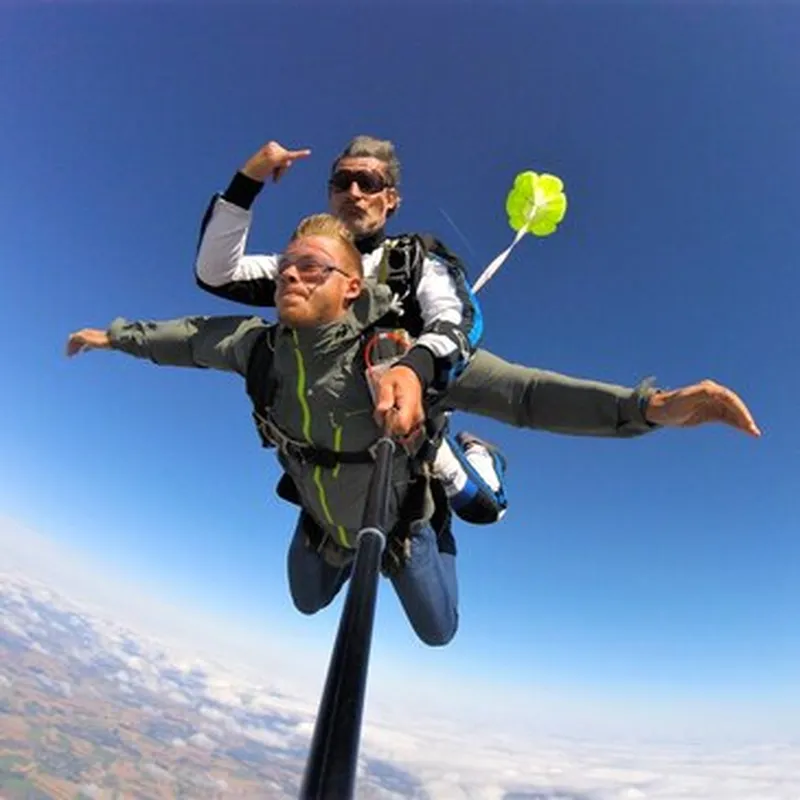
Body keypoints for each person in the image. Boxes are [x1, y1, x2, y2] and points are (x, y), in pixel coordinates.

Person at [67, 214, 760, 648]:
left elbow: (524, 393)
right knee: (308, 602)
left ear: (350, 289)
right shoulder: (257, 345)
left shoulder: (397, 355)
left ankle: (453, 488)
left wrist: (648, 407)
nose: (292, 275)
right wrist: (114, 337)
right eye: (286, 265)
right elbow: (187, 338)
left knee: (438, 631)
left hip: (395, 524)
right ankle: (339, 527)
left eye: (314, 267)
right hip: (323, 517)